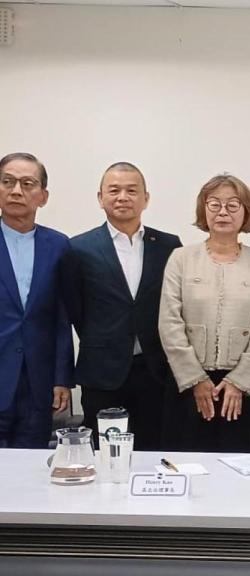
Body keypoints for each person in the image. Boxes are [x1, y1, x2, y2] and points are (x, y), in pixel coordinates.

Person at [62, 162, 181, 450]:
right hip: (102, 371)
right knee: (105, 453)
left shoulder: (168, 245)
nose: (123, 197)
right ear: (100, 197)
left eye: (131, 190)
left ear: (146, 198)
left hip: (155, 369)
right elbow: (73, 308)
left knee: (153, 451)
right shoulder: (79, 248)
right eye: (114, 190)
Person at [159, 174, 250, 452]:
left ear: (246, 212)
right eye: (214, 204)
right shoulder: (181, 258)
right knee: (186, 464)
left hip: (238, 386)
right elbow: (169, 321)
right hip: (186, 382)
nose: (223, 212)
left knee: (234, 466)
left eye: (233, 205)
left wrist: (239, 381)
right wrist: (196, 380)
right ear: (203, 210)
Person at [0, 153, 72, 448]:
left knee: (30, 474)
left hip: (38, 384)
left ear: (43, 196)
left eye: (27, 183)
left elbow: (62, 317)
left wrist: (62, 378)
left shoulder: (59, 246)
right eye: (7, 182)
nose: (16, 190)